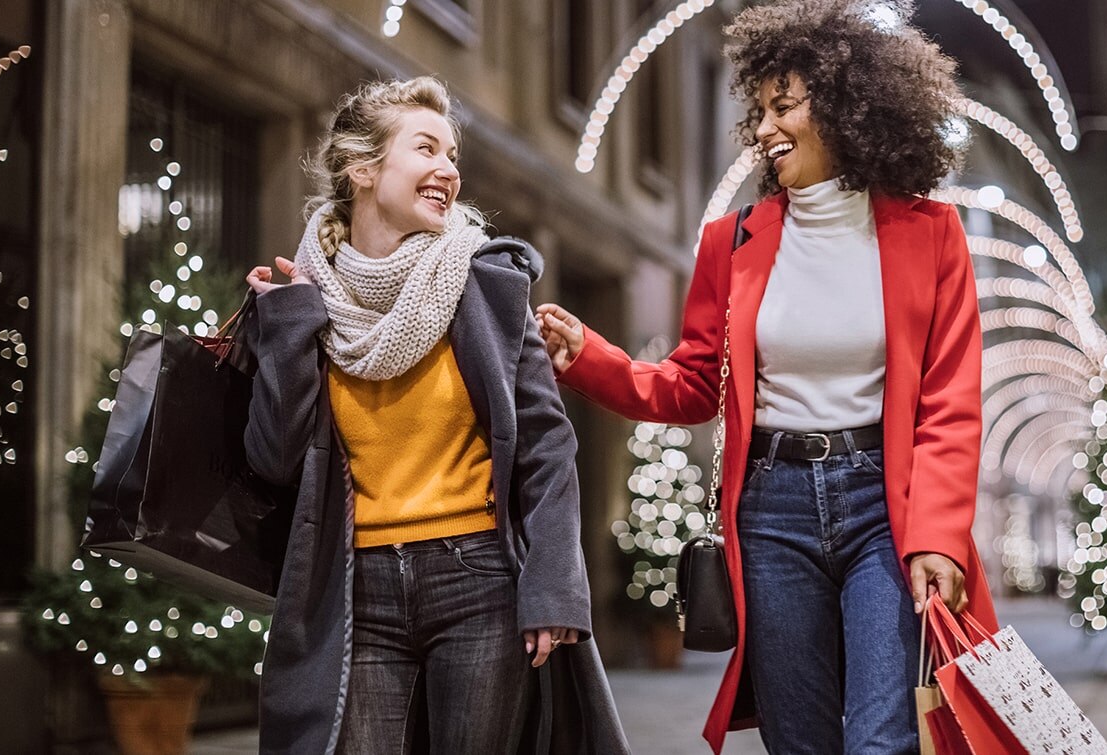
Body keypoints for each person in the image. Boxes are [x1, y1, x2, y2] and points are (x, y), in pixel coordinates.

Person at [537, 1, 1007, 752]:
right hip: (771, 512)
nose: (763, 128)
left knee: (885, 739)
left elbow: (950, 401)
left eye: (782, 106)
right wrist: (590, 359)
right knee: (799, 742)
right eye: (758, 110)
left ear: (848, 105)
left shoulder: (930, 232)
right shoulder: (733, 241)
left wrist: (941, 537)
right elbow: (694, 383)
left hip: (885, 509)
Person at [242, 76, 628, 754]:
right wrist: (287, 326)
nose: (448, 170)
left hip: (478, 579)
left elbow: (547, 450)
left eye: (453, 155)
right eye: (426, 149)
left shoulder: (485, 284)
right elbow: (273, 456)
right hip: (355, 590)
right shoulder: (308, 296)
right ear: (363, 168)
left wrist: (554, 587)